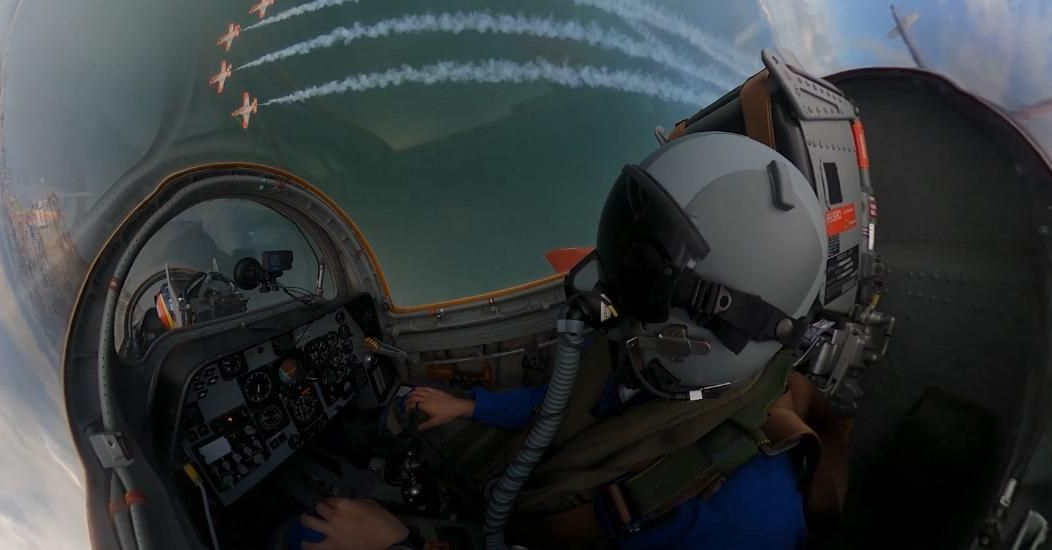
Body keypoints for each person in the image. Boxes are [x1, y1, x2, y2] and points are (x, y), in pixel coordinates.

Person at [298, 132, 842, 549]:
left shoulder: (740, 523)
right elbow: (565, 401)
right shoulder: (647, 344)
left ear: (712, 322)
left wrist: (404, 543)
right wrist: (469, 403)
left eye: (643, 268)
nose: (608, 277)